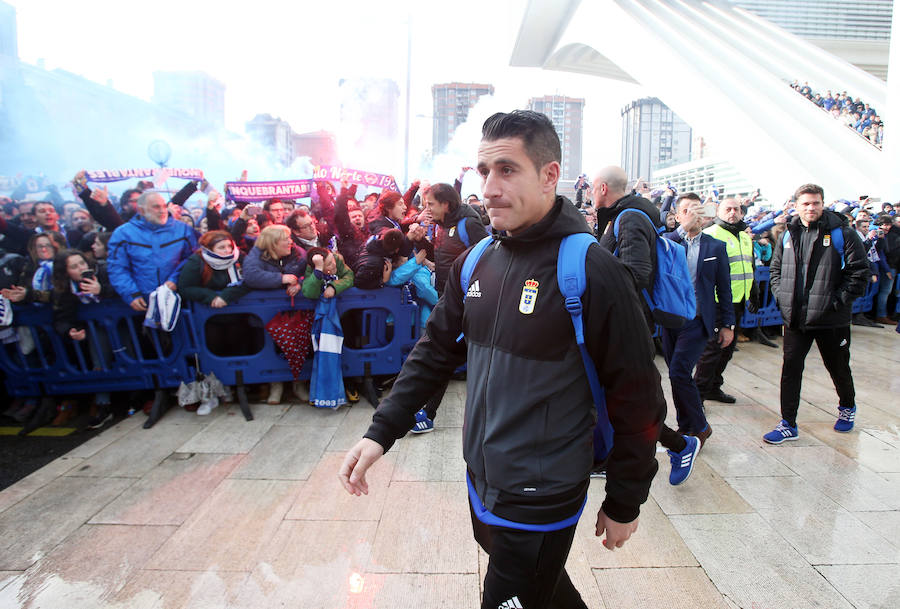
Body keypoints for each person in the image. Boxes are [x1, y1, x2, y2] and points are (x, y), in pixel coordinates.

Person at [339, 110, 665, 609]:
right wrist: (380, 431)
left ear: (549, 175)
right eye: (483, 170)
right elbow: (432, 352)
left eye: (507, 169)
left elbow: (639, 400)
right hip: (481, 473)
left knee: (510, 595)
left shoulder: (591, 269)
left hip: (543, 487)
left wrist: (625, 500)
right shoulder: (477, 260)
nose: (489, 187)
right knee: (543, 589)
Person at [764, 184, 868, 443]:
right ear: (796, 206)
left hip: (831, 319)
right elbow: (775, 271)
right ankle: (788, 423)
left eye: (816, 203)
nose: (811, 208)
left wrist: (834, 303)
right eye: (806, 203)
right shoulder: (788, 234)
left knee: (838, 367)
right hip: (796, 318)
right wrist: (782, 297)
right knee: (790, 370)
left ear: (823, 204)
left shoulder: (843, 234)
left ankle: (847, 408)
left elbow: (858, 273)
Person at [659, 193, 733, 454]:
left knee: (679, 371)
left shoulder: (715, 247)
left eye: (697, 210)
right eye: (686, 210)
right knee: (677, 374)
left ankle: (700, 425)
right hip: (670, 319)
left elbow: (724, 289)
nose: (693, 215)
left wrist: (728, 325)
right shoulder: (668, 241)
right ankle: (686, 425)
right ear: (677, 216)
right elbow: (662, 248)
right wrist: (682, 229)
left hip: (699, 319)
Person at [693, 197, 760, 403]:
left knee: (727, 349)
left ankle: (714, 387)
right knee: (711, 351)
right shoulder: (710, 234)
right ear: (718, 212)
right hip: (715, 303)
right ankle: (698, 396)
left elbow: (749, 266)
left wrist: (753, 291)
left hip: (738, 300)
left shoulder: (745, 236)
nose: (732, 212)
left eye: (736, 209)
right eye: (728, 209)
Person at [243, 225, 306, 405]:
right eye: (285, 239)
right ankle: (275, 384)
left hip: (293, 313)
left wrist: (299, 282)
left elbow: (307, 271)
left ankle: (298, 383)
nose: (290, 241)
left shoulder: (297, 252)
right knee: (268, 346)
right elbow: (251, 275)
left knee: (298, 347)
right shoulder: (257, 255)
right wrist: (281, 279)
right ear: (272, 243)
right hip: (264, 314)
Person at [106, 191, 197, 312]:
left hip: (178, 299)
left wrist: (175, 279)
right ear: (141, 210)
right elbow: (117, 268)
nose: (162, 210)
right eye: (156, 207)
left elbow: (194, 259)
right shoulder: (123, 234)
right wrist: (131, 294)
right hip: (141, 304)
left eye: (164, 206)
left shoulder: (184, 230)